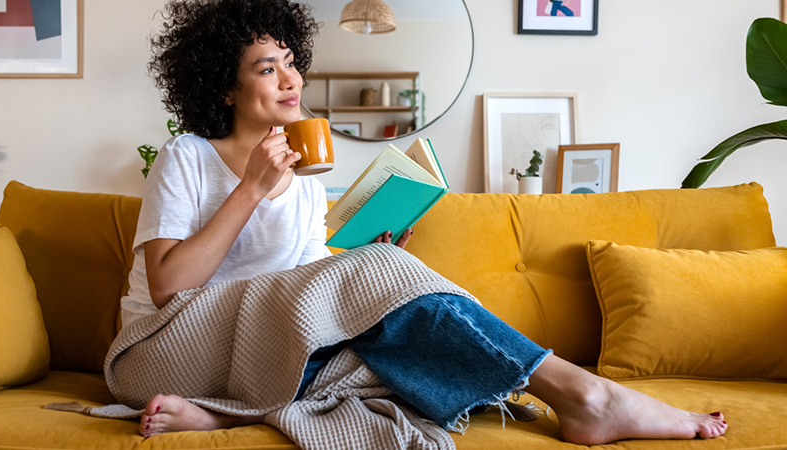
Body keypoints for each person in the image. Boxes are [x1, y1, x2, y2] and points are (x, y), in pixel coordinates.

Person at [119, 0, 728, 445]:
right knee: (388, 316)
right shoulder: (188, 157)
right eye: (265, 68)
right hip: (165, 350)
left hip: (259, 349)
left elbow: (303, 288)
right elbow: (171, 284)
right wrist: (251, 188)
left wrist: (371, 257)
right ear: (224, 88)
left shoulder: (304, 179)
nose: (291, 79)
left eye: (290, 62)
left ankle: (227, 411)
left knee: (398, 344)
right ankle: (586, 394)